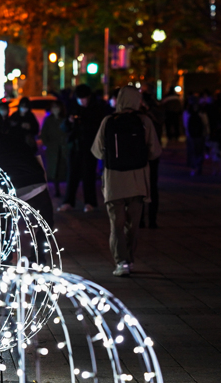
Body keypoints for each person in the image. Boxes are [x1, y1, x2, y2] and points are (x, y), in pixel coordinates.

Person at [91, 85, 162, 277]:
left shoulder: (108, 121)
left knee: (116, 224)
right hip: (138, 181)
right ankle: (129, 259)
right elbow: (155, 151)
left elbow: (96, 151)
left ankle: (120, 261)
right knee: (133, 224)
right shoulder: (145, 121)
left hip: (114, 181)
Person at [0, 110, 55, 248]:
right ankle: (40, 254)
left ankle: (3, 256)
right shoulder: (16, 140)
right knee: (46, 220)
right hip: (34, 184)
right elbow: (34, 160)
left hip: (7, 190)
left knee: (1, 219)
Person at [60, 84, 102, 212]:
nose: (82, 101)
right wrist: (70, 122)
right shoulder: (73, 108)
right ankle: (68, 201)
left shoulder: (95, 109)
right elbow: (64, 127)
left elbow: (97, 127)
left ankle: (90, 202)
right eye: (80, 98)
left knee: (88, 175)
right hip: (75, 147)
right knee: (72, 175)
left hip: (89, 147)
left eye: (84, 98)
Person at [139, 91, 164, 229]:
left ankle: (142, 219)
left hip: (144, 154)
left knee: (143, 187)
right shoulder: (158, 113)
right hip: (154, 152)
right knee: (152, 187)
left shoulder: (144, 117)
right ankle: (152, 220)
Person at [40, 99, 68, 197]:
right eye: (53, 107)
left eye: (57, 107)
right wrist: (47, 144)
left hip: (63, 147)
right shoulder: (49, 120)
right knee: (54, 170)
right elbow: (43, 133)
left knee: (64, 169)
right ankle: (57, 190)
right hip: (52, 148)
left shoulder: (64, 119)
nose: (55, 109)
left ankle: (66, 191)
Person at [184, 100, 207, 176]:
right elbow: (206, 125)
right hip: (200, 136)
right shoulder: (202, 114)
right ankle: (199, 167)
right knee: (199, 152)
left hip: (191, 136)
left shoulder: (187, 114)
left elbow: (185, 125)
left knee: (193, 152)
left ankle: (193, 168)